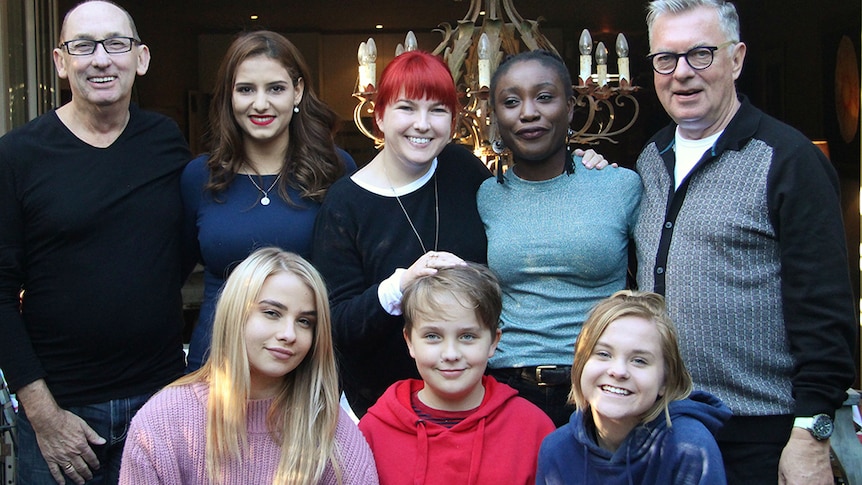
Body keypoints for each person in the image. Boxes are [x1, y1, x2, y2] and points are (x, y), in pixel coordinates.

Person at [635, 1, 857, 483]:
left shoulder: (788, 160)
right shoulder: (651, 159)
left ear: (736, 59)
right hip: (662, 427)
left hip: (763, 435)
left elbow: (827, 311)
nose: (682, 74)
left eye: (701, 54)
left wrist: (810, 434)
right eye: (665, 59)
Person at [0, 1, 191, 483]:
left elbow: (185, 244)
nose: (101, 59)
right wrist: (44, 416)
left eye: (116, 44)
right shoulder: (17, 155)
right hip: (62, 410)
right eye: (82, 46)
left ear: (140, 58)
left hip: (161, 401)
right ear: (61, 62)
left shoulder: (165, 141)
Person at [478, 50, 642, 427]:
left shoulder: (619, 186)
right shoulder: (486, 195)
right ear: (496, 117)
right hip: (506, 389)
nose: (529, 112)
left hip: (601, 387)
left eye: (545, 97)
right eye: (511, 101)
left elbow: (654, 288)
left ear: (569, 108)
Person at [119, 248, 379, 484]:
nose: (289, 334)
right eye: (272, 313)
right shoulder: (164, 420)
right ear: (235, 316)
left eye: (304, 322)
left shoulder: (326, 426)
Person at [183, 30, 356, 371]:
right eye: (246, 89)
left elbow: (348, 280)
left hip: (302, 368)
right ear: (228, 97)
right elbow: (173, 270)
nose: (260, 104)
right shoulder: (199, 177)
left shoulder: (335, 169)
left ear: (298, 91)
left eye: (275, 88)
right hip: (216, 367)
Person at [359, 263, 555, 484]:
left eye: (467, 336)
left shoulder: (532, 428)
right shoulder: (373, 432)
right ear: (409, 341)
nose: (451, 354)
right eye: (433, 336)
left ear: (493, 342)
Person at [536, 290, 730, 485]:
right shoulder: (557, 450)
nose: (618, 371)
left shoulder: (689, 447)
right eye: (603, 354)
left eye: (639, 360)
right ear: (580, 365)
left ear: (665, 380)